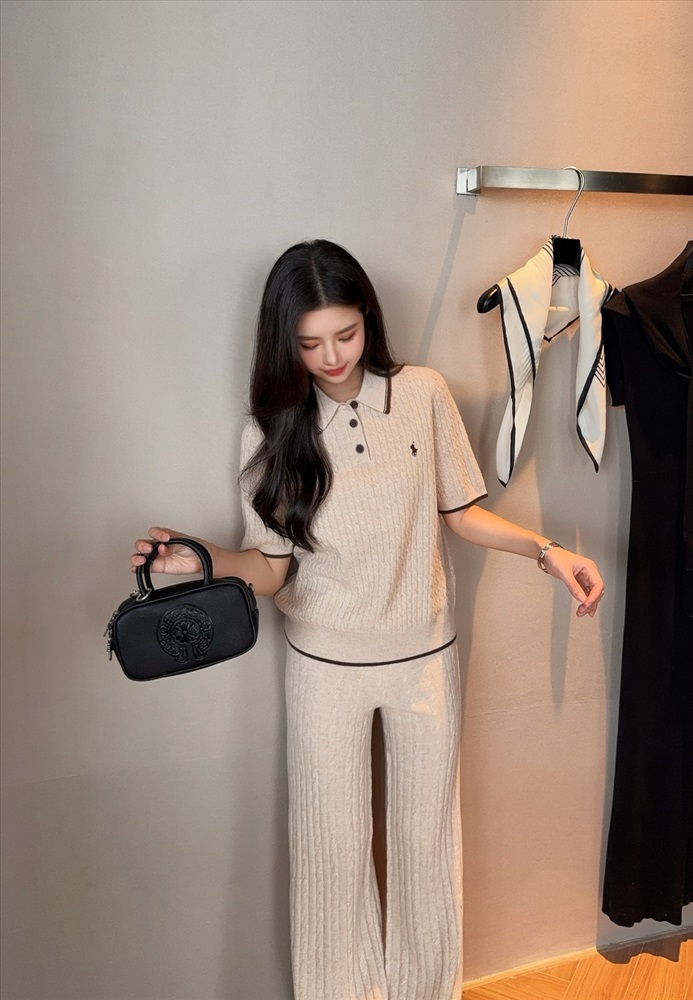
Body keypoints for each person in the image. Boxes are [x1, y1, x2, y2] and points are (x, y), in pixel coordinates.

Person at [131, 240, 604, 1000]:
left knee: (426, 845)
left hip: (425, 660)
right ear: (284, 341)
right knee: (333, 851)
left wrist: (549, 553)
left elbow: (462, 513)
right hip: (324, 670)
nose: (331, 357)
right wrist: (201, 560)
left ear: (368, 320)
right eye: (309, 343)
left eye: (345, 335)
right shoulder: (270, 431)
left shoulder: (423, 393)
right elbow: (270, 570)